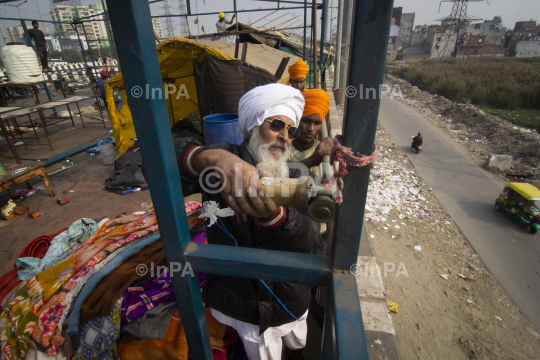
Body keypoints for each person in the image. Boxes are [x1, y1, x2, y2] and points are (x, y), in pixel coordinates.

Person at [174, 83, 323, 360]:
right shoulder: (222, 161)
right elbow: (157, 164)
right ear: (253, 125)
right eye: (276, 125)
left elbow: (312, 242)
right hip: (236, 301)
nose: (284, 137)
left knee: (294, 350)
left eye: (290, 130)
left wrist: (277, 218)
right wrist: (213, 157)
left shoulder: (297, 173)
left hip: (288, 300)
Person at [289, 89, 333, 183]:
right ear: (298, 119)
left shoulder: (323, 151)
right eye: (306, 121)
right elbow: (277, 175)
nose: (311, 128)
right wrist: (311, 161)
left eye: (317, 123)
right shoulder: (282, 146)